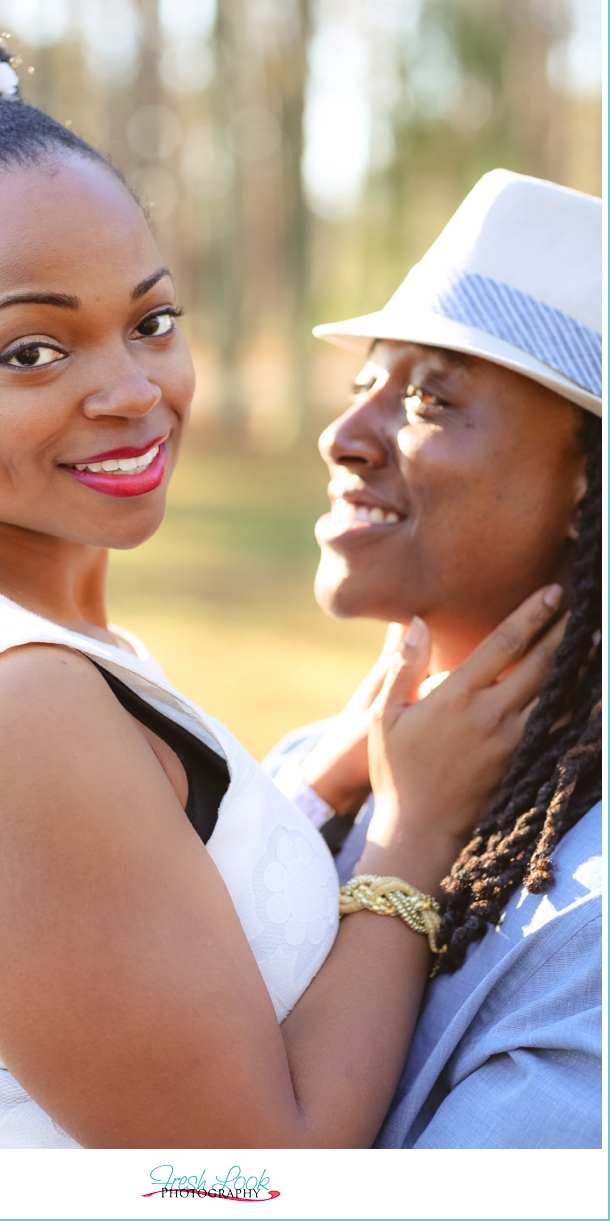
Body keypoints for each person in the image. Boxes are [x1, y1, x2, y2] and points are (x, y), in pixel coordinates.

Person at [0, 13, 558, 1151]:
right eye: (33, 350)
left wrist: (319, 790)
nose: (131, 390)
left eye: (151, 320)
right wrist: (408, 841)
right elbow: (249, 1178)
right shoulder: (13, 708)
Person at [266, 168, 603, 1148]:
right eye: (362, 382)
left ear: (584, 484)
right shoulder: (309, 770)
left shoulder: (584, 909)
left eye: (427, 398)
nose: (342, 436)